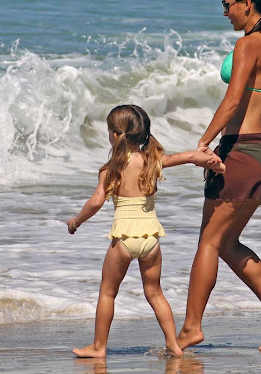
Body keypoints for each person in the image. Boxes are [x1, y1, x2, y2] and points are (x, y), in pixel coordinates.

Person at [177, 0, 261, 351]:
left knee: (208, 243)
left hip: (241, 151)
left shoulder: (249, 44)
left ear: (247, 3)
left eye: (227, 5)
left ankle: (191, 327)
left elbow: (232, 100)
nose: (224, 12)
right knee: (226, 243)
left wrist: (204, 142)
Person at [67, 104, 225, 358]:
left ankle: (98, 347)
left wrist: (76, 221)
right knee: (154, 292)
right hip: (151, 238)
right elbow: (186, 157)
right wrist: (210, 160)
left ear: (117, 135)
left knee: (108, 291)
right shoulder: (152, 162)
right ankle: (173, 344)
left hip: (124, 238)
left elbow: (96, 202)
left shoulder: (111, 169)